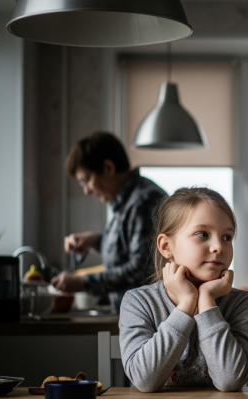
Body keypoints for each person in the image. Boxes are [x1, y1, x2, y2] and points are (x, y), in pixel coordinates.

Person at [118, 187, 248, 392]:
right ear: (166, 246)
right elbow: (145, 381)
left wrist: (207, 301)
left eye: (227, 237)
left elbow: (231, 380)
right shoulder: (138, 302)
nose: (218, 247)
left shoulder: (242, 304)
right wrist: (186, 304)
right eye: (202, 234)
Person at [51, 131, 167, 313]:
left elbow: (141, 270)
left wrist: (83, 282)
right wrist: (96, 240)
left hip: (149, 322)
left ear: (108, 168)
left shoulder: (144, 201)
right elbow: (130, 248)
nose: (86, 190)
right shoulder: (125, 201)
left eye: (86, 180)